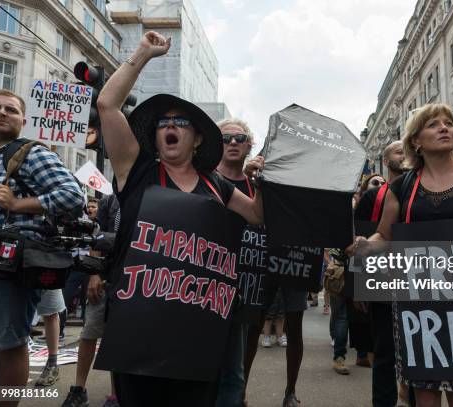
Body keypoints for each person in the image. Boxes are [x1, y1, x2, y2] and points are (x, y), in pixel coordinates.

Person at [96, 31, 263, 406]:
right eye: (163, 123)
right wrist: (143, 54)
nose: (170, 127)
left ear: (198, 139)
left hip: (198, 331)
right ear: (155, 138)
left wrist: (262, 179)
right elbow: (108, 104)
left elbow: (255, 215)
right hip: (138, 326)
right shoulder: (135, 171)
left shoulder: (217, 184)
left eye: (180, 122)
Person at [354, 104, 453, 406]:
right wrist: (367, 245)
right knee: (424, 394)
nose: (445, 128)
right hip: (417, 304)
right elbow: (386, 235)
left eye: (449, 123)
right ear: (416, 141)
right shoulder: (402, 187)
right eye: (434, 124)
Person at [0, 89, 83, 405]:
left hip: (6, 267)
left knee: (11, 345)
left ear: (23, 120)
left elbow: (73, 197)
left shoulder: (30, 153)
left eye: (11, 109)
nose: (2, 112)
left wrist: (19, 204)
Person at [243, 160, 308, 407]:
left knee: (295, 326)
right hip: (264, 254)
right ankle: (241, 387)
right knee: (253, 325)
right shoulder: (266, 172)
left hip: (297, 258)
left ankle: (290, 391)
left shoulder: (307, 182)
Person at [354, 141, 410, 407]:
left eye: (408, 151)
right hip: (383, 280)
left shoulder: (422, 191)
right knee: (385, 351)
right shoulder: (372, 197)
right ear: (385, 161)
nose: (405, 155)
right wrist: (358, 284)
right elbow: (360, 239)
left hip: (419, 279)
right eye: (399, 152)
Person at [62, 195, 121, 407]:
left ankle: (116, 395)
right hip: (104, 276)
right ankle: (79, 389)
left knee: (118, 337)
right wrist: (94, 274)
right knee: (89, 333)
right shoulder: (109, 201)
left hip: (131, 277)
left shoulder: (147, 195)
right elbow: (97, 237)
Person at [214, 117, 257, 407]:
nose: (232, 143)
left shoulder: (257, 187)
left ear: (248, 146)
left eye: (239, 139)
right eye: (226, 138)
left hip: (242, 284)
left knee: (233, 370)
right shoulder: (199, 178)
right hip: (200, 282)